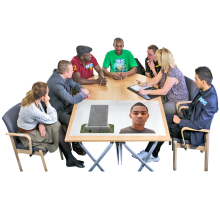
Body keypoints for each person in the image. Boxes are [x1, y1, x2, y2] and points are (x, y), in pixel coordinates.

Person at [134, 66, 218, 163]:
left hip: (191, 132)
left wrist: (181, 121)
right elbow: (194, 108)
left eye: (196, 79)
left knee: (163, 128)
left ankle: (153, 154)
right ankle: (149, 150)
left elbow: (199, 125)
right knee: (161, 119)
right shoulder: (205, 91)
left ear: (203, 82)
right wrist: (181, 115)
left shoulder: (210, 101)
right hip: (187, 119)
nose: (194, 81)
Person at [17, 81, 85, 168]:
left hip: (35, 126)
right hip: (29, 136)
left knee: (57, 126)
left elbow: (40, 114)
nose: (48, 95)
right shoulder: (32, 109)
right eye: (47, 94)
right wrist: (47, 103)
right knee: (56, 127)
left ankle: (70, 158)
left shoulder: (32, 96)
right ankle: (70, 158)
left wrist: (41, 123)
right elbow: (53, 118)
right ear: (43, 97)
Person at [46, 60, 90, 156]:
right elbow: (72, 100)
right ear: (65, 72)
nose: (73, 71)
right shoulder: (55, 83)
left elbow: (73, 84)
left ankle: (81, 136)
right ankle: (76, 146)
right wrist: (83, 94)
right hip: (58, 111)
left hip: (65, 105)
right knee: (74, 123)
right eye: (71, 70)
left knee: (83, 110)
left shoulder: (63, 75)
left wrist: (81, 89)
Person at [137, 47, 189, 115]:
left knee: (154, 108)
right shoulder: (164, 68)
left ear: (163, 60)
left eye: (158, 58)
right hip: (168, 98)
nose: (157, 60)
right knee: (149, 103)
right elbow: (155, 80)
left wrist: (146, 92)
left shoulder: (173, 71)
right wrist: (144, 84)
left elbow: (164, 91)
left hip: (177, 103)